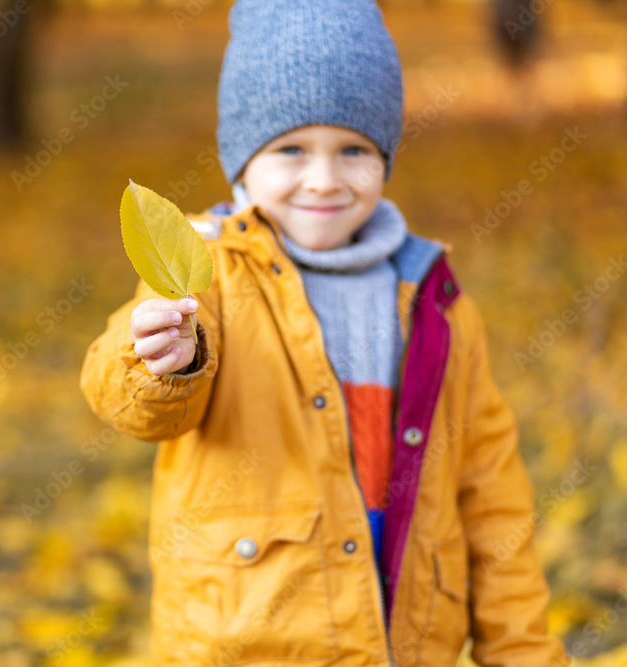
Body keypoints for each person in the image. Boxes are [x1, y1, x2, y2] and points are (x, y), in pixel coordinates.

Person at [79, 0, 569, 664]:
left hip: (406, 635)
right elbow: (130, 399)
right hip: (252, 638)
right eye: (289, 149)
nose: (323, 179)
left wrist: (524, 651)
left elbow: (493, 497)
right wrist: (160, 359)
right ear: (241, 162)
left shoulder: (435, 301)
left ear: (385, 155)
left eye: (354, 149)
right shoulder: (207, 269)